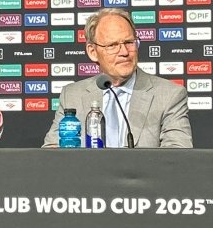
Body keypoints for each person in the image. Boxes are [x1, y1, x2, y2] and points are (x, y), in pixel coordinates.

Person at [43, 8, 192, 148]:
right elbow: (51, 154)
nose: (124, 52)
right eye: (113, 45)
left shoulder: (169, 96)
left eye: (129, 42)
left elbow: (177, 157)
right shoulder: (72, 95)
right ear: (93, 52)